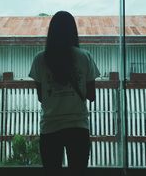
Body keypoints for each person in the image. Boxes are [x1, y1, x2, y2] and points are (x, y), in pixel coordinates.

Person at [29, 11, 100, 176]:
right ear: (73, 31)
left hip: (50, 127)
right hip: (78, 126)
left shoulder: (40, 59)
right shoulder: (85, 57)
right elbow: (91, 96)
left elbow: (41, 98)